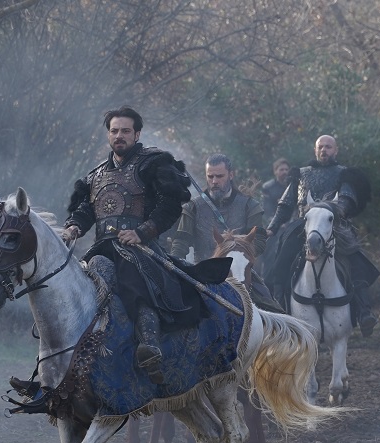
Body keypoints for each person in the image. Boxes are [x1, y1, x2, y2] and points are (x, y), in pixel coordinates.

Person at [61, 106, 229, 384]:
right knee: (80, 278)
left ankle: (149, 344)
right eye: (114, 131)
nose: (119, 136)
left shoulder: (153, 163)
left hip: (141, 249)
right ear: (108, 135)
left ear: (136, 134)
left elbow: (171, 204)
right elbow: (85, 209)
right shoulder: (96, 175)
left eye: (125, 131)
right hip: (101, 248)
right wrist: (73, 226)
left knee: (131, 274)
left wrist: (142, 232)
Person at [265, 134, 380, 336]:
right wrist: (272, 228)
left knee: (355, 259)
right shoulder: (301, 174)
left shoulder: (344, 174)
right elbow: (285, 205)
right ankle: (278, 307)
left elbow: (346, 199)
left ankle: (364, 311)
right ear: (315, 150)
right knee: (282, 256)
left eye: (328, 147)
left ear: (336, 150)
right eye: (320, 147)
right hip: (303, 225)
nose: (324, 150)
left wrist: (332, 209)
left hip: (333, 224)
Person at [170, 153, 280, 312]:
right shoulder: (192, 207)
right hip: (204, 274)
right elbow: (180, 242)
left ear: (231, 175)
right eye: (210, 176)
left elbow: (260, 242)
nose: (214, 181)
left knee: (271, 309)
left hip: (242, 274)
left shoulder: (250, 205)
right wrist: (176, 266)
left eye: (219, 176)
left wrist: (237, 248)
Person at [257, 157, 291, 225]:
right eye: (281, 170)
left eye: (286, 170)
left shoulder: (293, 186)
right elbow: (267, 209)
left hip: (291, 223)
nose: (285, 172)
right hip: (274, 224)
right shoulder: (268, 187)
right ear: (275, 171)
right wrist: (275, 223)